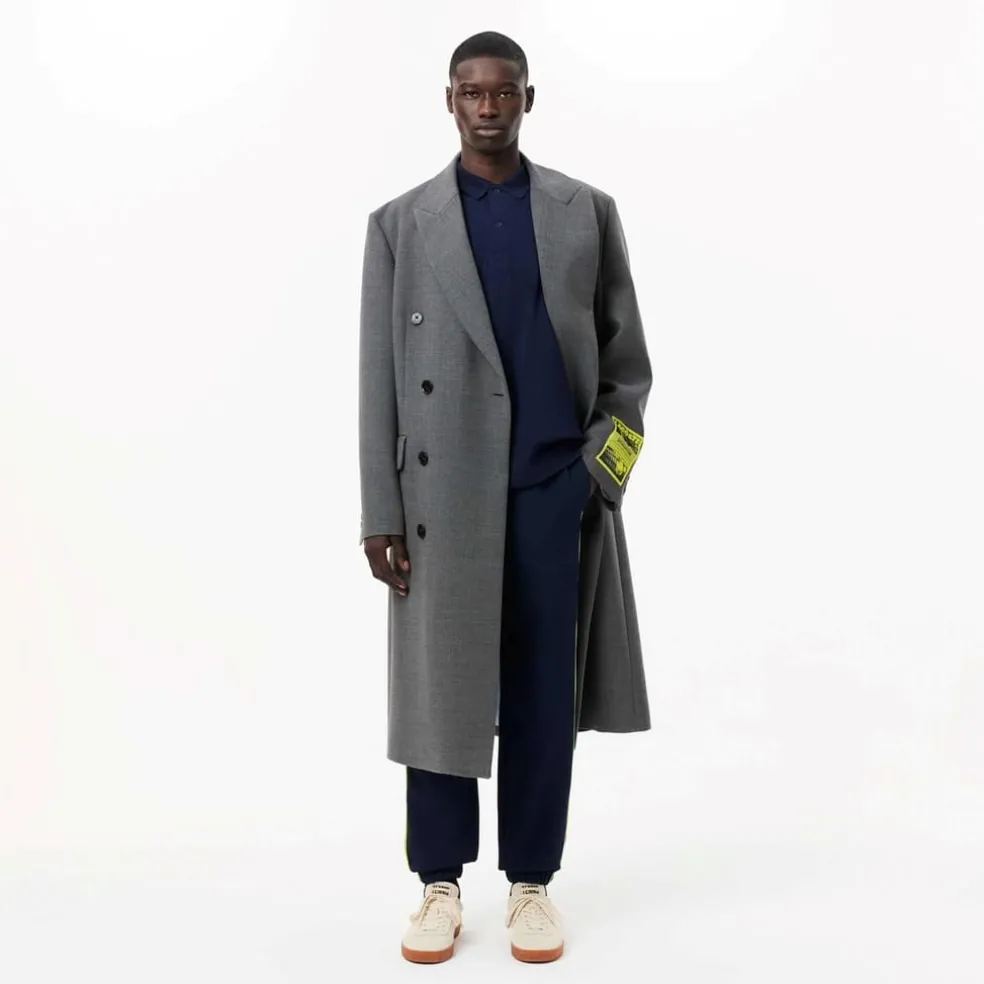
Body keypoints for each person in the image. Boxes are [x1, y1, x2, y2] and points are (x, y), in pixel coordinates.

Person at [358, 30, 652, 964]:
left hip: (550, 491)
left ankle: (531, 885)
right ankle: (438, 885)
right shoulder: (400, 225)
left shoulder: (585, 212)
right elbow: (376, 382)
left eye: (505, 92)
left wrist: (600, 478)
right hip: (440, 501)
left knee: (540, 696)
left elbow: (630, 371)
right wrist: (379, 511)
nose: (488, 106)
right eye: (472, 92)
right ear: (449, 100)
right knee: (440, 697)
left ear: (529, 98)